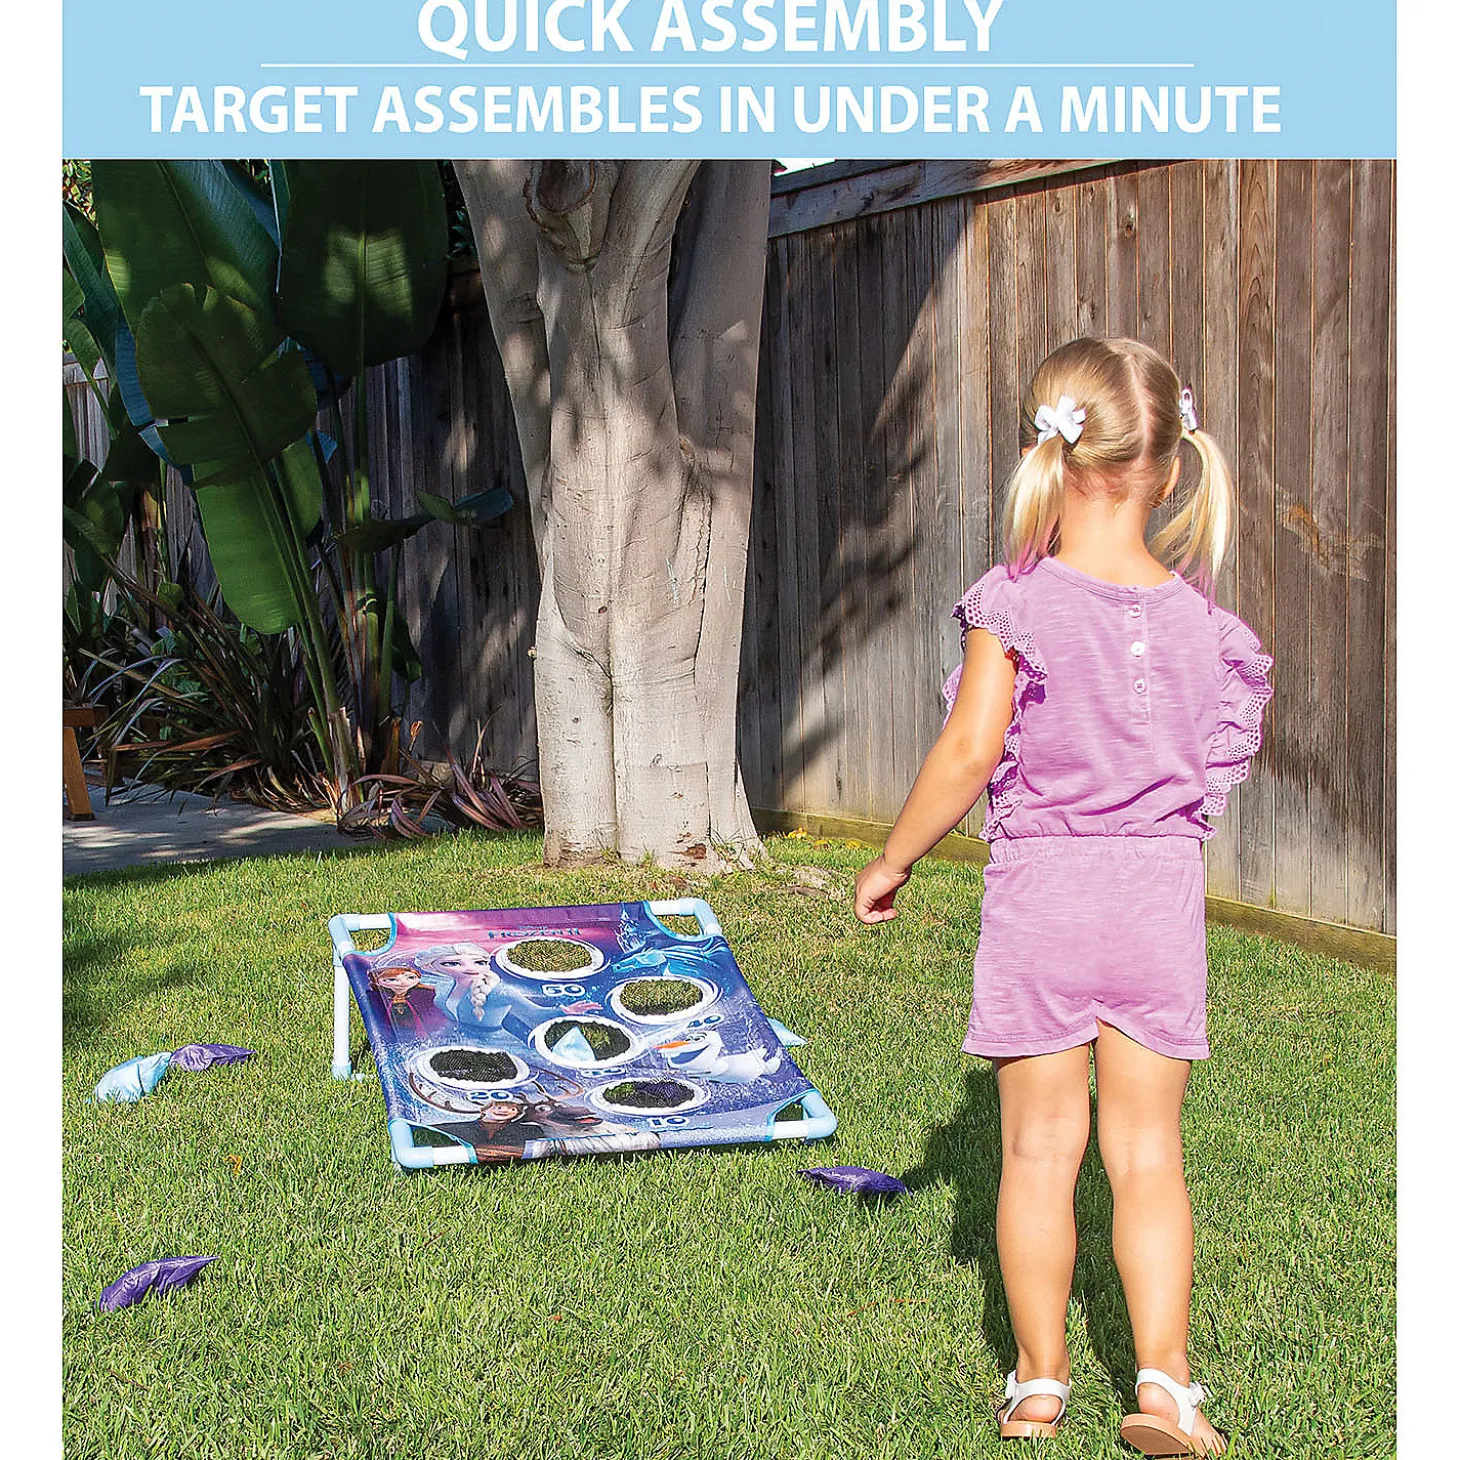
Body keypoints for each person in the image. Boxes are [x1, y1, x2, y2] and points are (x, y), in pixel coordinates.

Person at [854, 338, 1271, 1456]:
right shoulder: (1204, 626)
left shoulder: (1014, 602)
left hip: (1044, 898)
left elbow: (968, 751)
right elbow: (1207, 762)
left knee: (1040, 1153)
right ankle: (1167, 1386)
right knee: (1148, 1157)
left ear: (1049, 451)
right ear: (1168, 469)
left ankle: (1039, 1385)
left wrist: (894, 857)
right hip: (1156, 905)